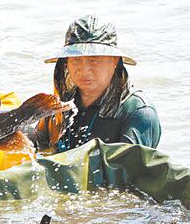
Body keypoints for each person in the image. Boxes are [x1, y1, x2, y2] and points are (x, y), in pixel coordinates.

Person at [34, 15, 161, 153]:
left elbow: (128, 171)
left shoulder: (138, 113)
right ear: (66, 64)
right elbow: (36, 150)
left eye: (93, 60)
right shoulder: (59, 108)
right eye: (76, 61)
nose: (84, 70)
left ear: (114, 62)